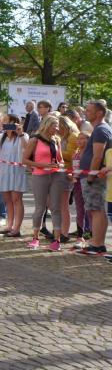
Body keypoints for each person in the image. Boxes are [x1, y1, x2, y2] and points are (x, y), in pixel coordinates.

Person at [22, 115, 68, 251]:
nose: (57, 128)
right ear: (47, 125)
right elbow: (25, 160)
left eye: (58, 126)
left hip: (56, 175)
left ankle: (57, 240)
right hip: (40, 176)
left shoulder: (56, 139)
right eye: (55, 125)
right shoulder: (35, 139)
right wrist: (42, 165)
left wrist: (59, 164)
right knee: (40, 208)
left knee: (55, 207)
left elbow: (61, 159)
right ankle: (35, 238)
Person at [78, 100, 112, 255]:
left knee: (95, 210)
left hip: (95, 177)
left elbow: (97, 156)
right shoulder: (100, 129)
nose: (86, 113)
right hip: (96, 175)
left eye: (89, 110)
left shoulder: (100, 130)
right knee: (97, 210)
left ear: (99, 113)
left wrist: (91, 176)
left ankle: (97, 244)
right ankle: (98, 242)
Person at [0, 115, 28, 238]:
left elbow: (27, 148)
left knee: (17, 199)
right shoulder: (1, 136)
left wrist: (20, 133)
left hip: (16, 171)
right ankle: (9, 225)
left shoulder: (23, 135)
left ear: (14, 122)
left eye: (6, 121)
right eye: (3, 121)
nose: (3, 123)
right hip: (3, 171)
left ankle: (17, 228)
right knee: (7, 200)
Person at [58, 116, 80, 242]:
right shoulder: (65, 136)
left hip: (67, 173)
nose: (57, 129)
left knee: (64, 205)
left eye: (59, 127)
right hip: (62, 172)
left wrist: (57, 151)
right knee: (60, 205)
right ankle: (61, 230)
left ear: (64, 126)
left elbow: (72, 155)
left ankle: (64, 233)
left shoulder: (72, 136)